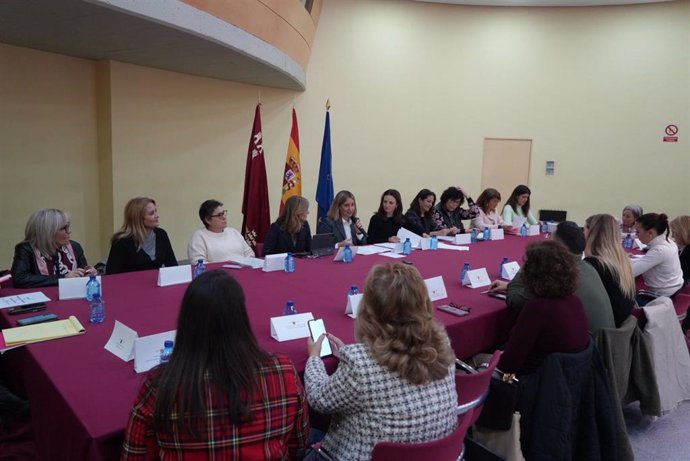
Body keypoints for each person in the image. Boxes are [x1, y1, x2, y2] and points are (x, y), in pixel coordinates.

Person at [121, 270, 308, 459]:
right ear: (241, 317)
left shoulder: (161, 384)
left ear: (187, 321)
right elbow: (298, 444)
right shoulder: (284, 373)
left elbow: (135, 454)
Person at [303, 263, 458, 461]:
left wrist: (314, 357)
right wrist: (346, 355)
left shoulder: (361, 364)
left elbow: (319, 398)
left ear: (369, 309)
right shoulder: (442, 344)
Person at [491, 222, 614, 332]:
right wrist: (510, 285)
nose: (546, 239)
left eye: (549, 236)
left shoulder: (556, 274)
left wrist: (529, 263)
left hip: (581, 352)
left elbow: (514, 300)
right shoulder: (588, 268)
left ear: (556, 246)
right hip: (604, 346)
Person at [498, 240, 589, 375]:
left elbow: (508, 364)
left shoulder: (537, 309)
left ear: (531, 273)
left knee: (476, 361)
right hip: (572, 381)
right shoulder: (575, 302)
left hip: (537, 384)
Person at [11, 209, 97, 287]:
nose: (68, 231)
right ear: (48, 232)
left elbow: (82, 272)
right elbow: (20, 279)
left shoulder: (75, 247)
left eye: (68, 227)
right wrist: (63, 278)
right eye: (63, 228)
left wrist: (88, 273)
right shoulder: (26, 249)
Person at [583, 214, 636, 327]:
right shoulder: (622, 259)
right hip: (621, 325)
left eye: (584, 229)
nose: (582, 233)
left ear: (591, 233)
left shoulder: (594, 264)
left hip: (604, 329)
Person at [106, 197, 177, 275]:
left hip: (156, 284)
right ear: (139, 218)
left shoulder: (161, 234)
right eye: (151, 213)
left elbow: (173, 266)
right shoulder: (122, 241)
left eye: (156, 211)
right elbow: (111, 275)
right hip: (130, 286)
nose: (157, 216)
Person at [632, 213, 684, 301]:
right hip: (675, 289)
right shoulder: (668, 242)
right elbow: (649, 260)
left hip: (662, 296)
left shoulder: (659, 250)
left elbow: (631, 272)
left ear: (650, 233)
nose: (636, 235)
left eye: (638, 231)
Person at [187, 199, 254, 263]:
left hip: (243, 271)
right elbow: (198, 262)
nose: (224, 217)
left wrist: (246, 264)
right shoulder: (199, 236)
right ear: (208, 220)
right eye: (219, 215)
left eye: (223, 213)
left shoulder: (233, 232)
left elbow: (249, 253)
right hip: (218, 274)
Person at [670, 215, 690, 282]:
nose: (672, 236)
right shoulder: (684, 247)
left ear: (682, 233)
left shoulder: (688, 253)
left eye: (674, 233)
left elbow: (681, 276)